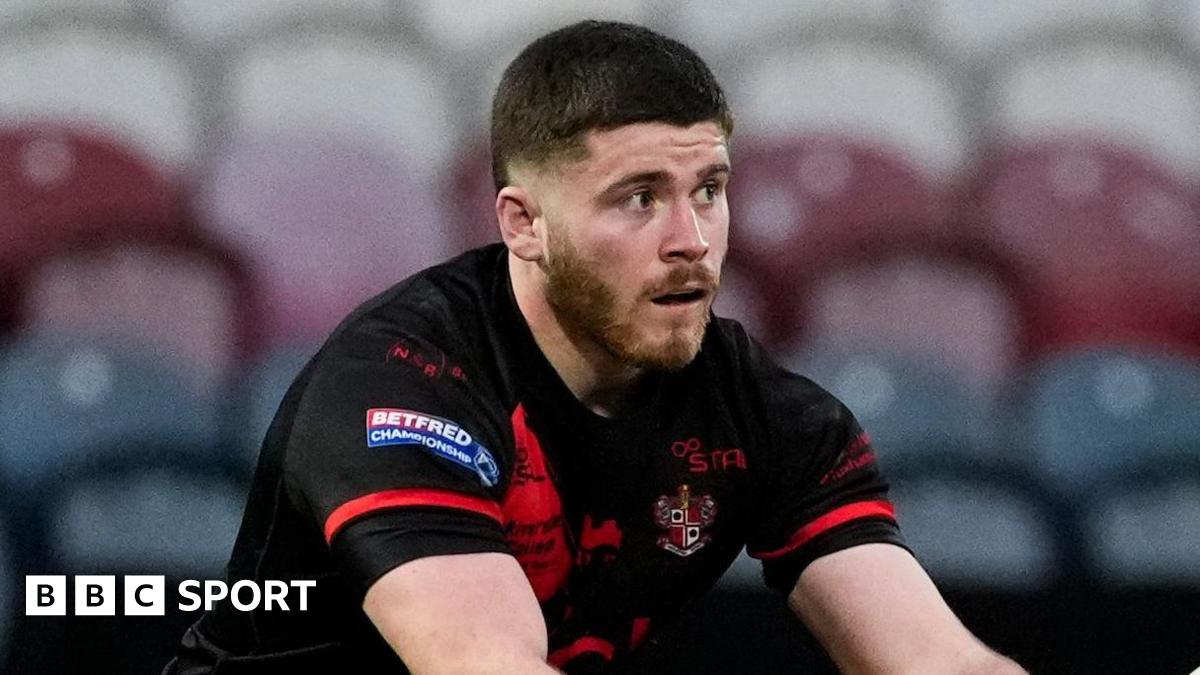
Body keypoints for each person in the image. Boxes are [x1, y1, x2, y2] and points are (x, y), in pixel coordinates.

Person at [166, 20, 1025, 674]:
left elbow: (941, 661)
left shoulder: (766, 415)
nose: (692, 238)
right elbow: (486, 662)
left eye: (710, 189)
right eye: (639, 198)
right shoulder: (401, 384)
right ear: (524, 222)